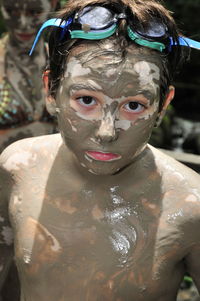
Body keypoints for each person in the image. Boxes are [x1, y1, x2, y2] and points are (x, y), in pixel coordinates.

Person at [0, 0, 200, 300]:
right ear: (51, 90)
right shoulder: (18, 168)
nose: (106, 133)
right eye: (87, 100)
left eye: (134, 106)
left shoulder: (190, 206)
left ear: (162, 106)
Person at [0, 0, 59, 153]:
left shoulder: (64, 62)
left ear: (52, 4)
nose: (23, 23)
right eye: (12, 11)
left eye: (34, 12)